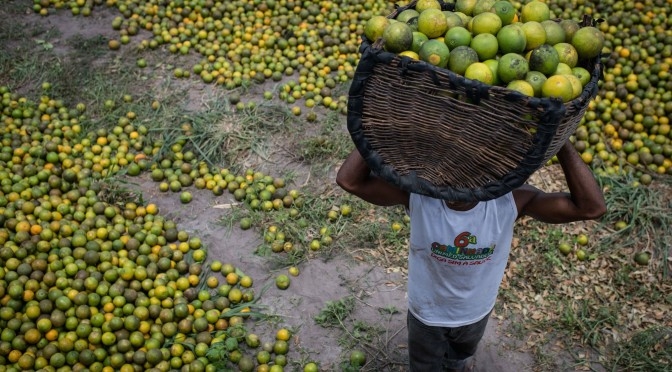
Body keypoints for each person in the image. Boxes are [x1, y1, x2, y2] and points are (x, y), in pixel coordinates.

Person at [335, 141, 606, 372]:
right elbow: (349, 180)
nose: (453, 190)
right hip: (426, 315)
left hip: (475, 314)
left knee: (459, 356)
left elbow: (591, 207)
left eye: (467, 180)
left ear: (490, 176)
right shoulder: (419, 195)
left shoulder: (511, 200)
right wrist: (377, 131)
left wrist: (562, 144)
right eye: (446, 177)